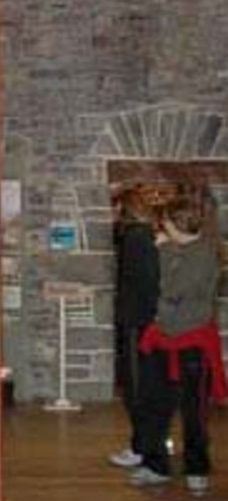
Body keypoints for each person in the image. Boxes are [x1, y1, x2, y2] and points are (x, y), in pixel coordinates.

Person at [130, 193, 226, 495]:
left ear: (177, 223)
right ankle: (155, 464)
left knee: (193, 410)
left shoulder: (205, 253)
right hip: (163, 338)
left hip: (192, 341)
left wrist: (162, 255)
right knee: (153, 404)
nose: (163, 226)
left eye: (167, 221)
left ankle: (197, 468)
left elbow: (174, 289)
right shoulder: (167, 249)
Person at [109, 186, 160, 468]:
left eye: (115, 208)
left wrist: (135, 316)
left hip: (136, 321)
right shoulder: (141, 235)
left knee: (136, 386)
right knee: (137, 385)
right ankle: (144, 444)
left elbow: (146, 282)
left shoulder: (135, 238)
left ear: (124, 208)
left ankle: (142, 447)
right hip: (139, 319)